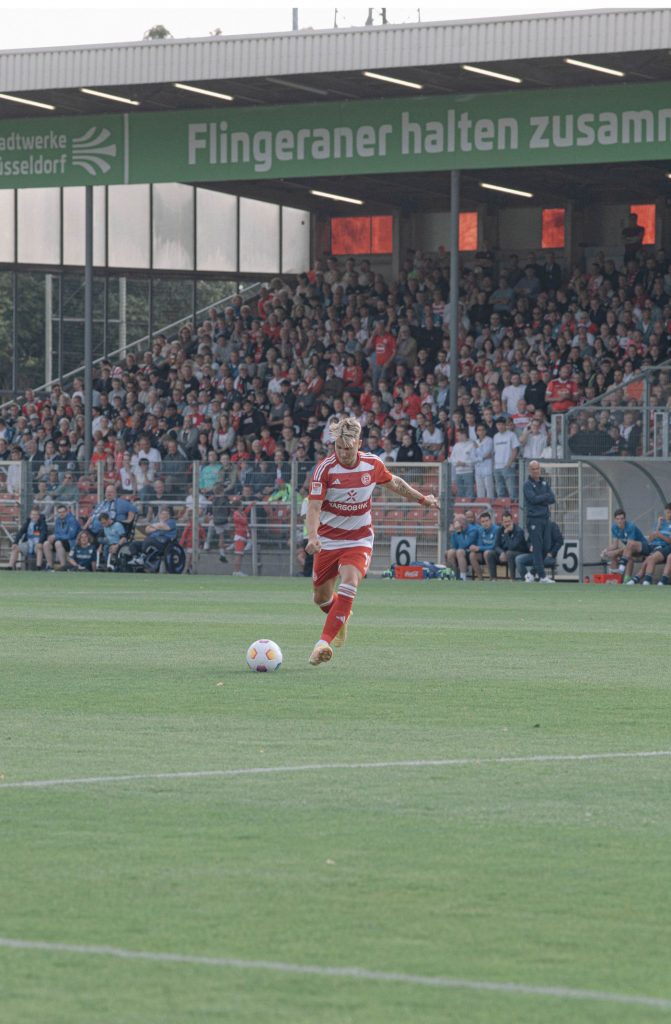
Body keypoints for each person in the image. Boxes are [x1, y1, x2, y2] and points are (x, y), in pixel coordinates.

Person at [305, 416, 439, 665]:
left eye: (348, 448)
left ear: (359, 443)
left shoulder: (372, 464)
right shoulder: (325, 469)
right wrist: (312, 537)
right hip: (328, 540)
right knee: (321, 598)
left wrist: (423, 499)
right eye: (339, 448)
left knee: (349, 581)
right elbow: (313, 507)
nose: (343, 453)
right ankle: (342, 615)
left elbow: (395, 483)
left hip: (359, 538)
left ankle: (322, 644)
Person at [522, 460, 556, 582]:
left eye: (537, 468)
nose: (536, 471)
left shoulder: (544, 483)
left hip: (545, 519)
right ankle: (542, 576)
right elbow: (533, 499)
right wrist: (545, 497)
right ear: (529, 470)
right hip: (534, 520)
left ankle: (531, 573)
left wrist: (541, 498)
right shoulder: (527, 485)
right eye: (533, 469)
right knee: (537, 547)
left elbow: (552, 498)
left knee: (546, 546)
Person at [625, 504, 671, 585]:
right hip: (652, 546)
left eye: (670, 513)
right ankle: (623, 566)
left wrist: (660, 535)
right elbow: (650, 540)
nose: (669, 515)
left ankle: (642, 579)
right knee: (632, 544)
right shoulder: (658, 523)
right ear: (664, 512)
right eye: (668, 512)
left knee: (650, 558)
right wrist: (658, 526)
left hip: (663, 547)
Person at [602, 509, 647, 577]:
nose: (620, 521)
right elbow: (615, 545)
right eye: (617, 519)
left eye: (622, 519)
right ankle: (615, 578)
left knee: (627, 556)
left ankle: (627, 578)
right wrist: (605, 551)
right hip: (629, 550)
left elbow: (630, 545)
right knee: (614, 555)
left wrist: (615, 552)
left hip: (642, 549)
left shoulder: (631, 526)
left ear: (625, 519)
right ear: (615, 520)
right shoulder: (614, 527)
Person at [487, 509, 528, 581]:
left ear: (512, 521)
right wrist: (502, 552)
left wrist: (506, 534)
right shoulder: (499, 530)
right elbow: (496, 546)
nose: (507, 524)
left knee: (509, 553)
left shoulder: (519, 531)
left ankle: (512, 578)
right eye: (505, 522)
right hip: (505, 553)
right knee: (490, 553)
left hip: (519, 553)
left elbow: (512, 547)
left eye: (509, 521)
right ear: (502, 522)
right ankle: (493, 579)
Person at [43, 503, 80, 571]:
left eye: (63, 512)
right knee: (46, 544)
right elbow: (56, 533)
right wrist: (52, 537)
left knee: (58, 543)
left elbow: (71, 535)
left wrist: (56, 536)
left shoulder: (72, 520)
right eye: (59, 512)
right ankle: (50, 566)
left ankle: (63, 566)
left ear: (67, 511)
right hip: (60, 541)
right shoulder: (58, 520)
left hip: (71, 542)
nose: (61, 514)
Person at [445, 512, 479, 582]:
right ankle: (454, 575)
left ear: (464, 522)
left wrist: (459, 532)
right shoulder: (457, 529)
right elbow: (454, 546)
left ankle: (463, 577)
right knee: (449, 552)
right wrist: (453, 533)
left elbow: (464, 546)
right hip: (461, 551)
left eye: (460, 522)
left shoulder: (473, 530)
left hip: (471, 551)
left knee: (459, 551)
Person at [468, 510, 497, 581]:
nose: (485, 523)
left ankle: (492, 578)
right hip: (484, 553)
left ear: (491, 521)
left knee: (487, 553)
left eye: (487, 521)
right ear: (480, 523)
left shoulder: (497, 529)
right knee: (472, 554)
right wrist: (475, 548)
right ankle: (480, 578)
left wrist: (479, 548)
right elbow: (480, 544)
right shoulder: (480, 530)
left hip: (496, 553)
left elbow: (494, 546)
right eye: (483, 522)